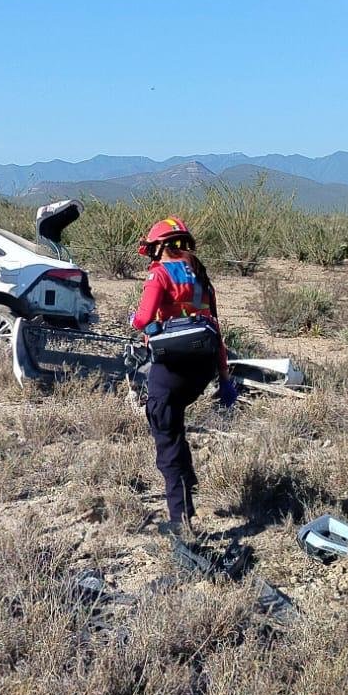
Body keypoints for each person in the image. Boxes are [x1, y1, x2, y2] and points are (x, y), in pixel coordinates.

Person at [129, 217, 238, 536]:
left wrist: (136, 321)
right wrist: (224, 376)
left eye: (153, 250)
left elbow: (143, 319)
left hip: (173, 367)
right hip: (202, 368)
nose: (152, 256)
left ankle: (180, 522)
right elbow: (216, 330)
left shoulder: (160, 274)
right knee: (174, 427)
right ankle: (186, 490)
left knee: (165, 431)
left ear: (161, 247)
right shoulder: (202, 277)